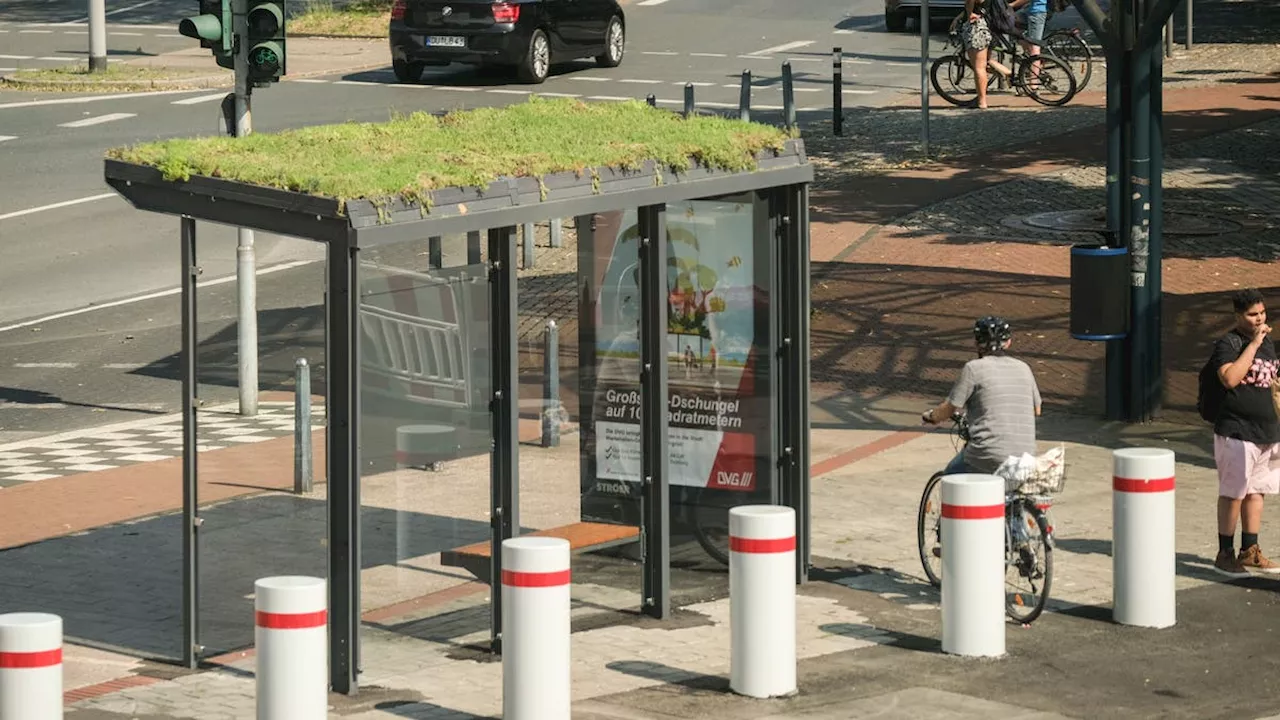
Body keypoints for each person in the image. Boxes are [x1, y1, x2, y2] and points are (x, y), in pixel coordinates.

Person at [1210, 288, 1280, 577]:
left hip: (1266, 431)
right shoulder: (1229, 343)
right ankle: (1224, 553)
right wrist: (1252, 345)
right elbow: (1230, 378)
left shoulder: (1269, 344)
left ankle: (1249, 550)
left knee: (1256, 491)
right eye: (1252, 314)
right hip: (1236, 431)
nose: (1259, 318)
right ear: (1238, 316)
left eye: (1262, 313)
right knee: (1233, 492)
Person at [922, 316, 1042, 475]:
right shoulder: (1024, 368)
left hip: (987, 454)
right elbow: (1037, 410)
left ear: (977, 344)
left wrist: (932, 416)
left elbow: (950, 408)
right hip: (1025, 457)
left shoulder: (973, 368)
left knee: (950, 476)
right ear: (1008, 342)